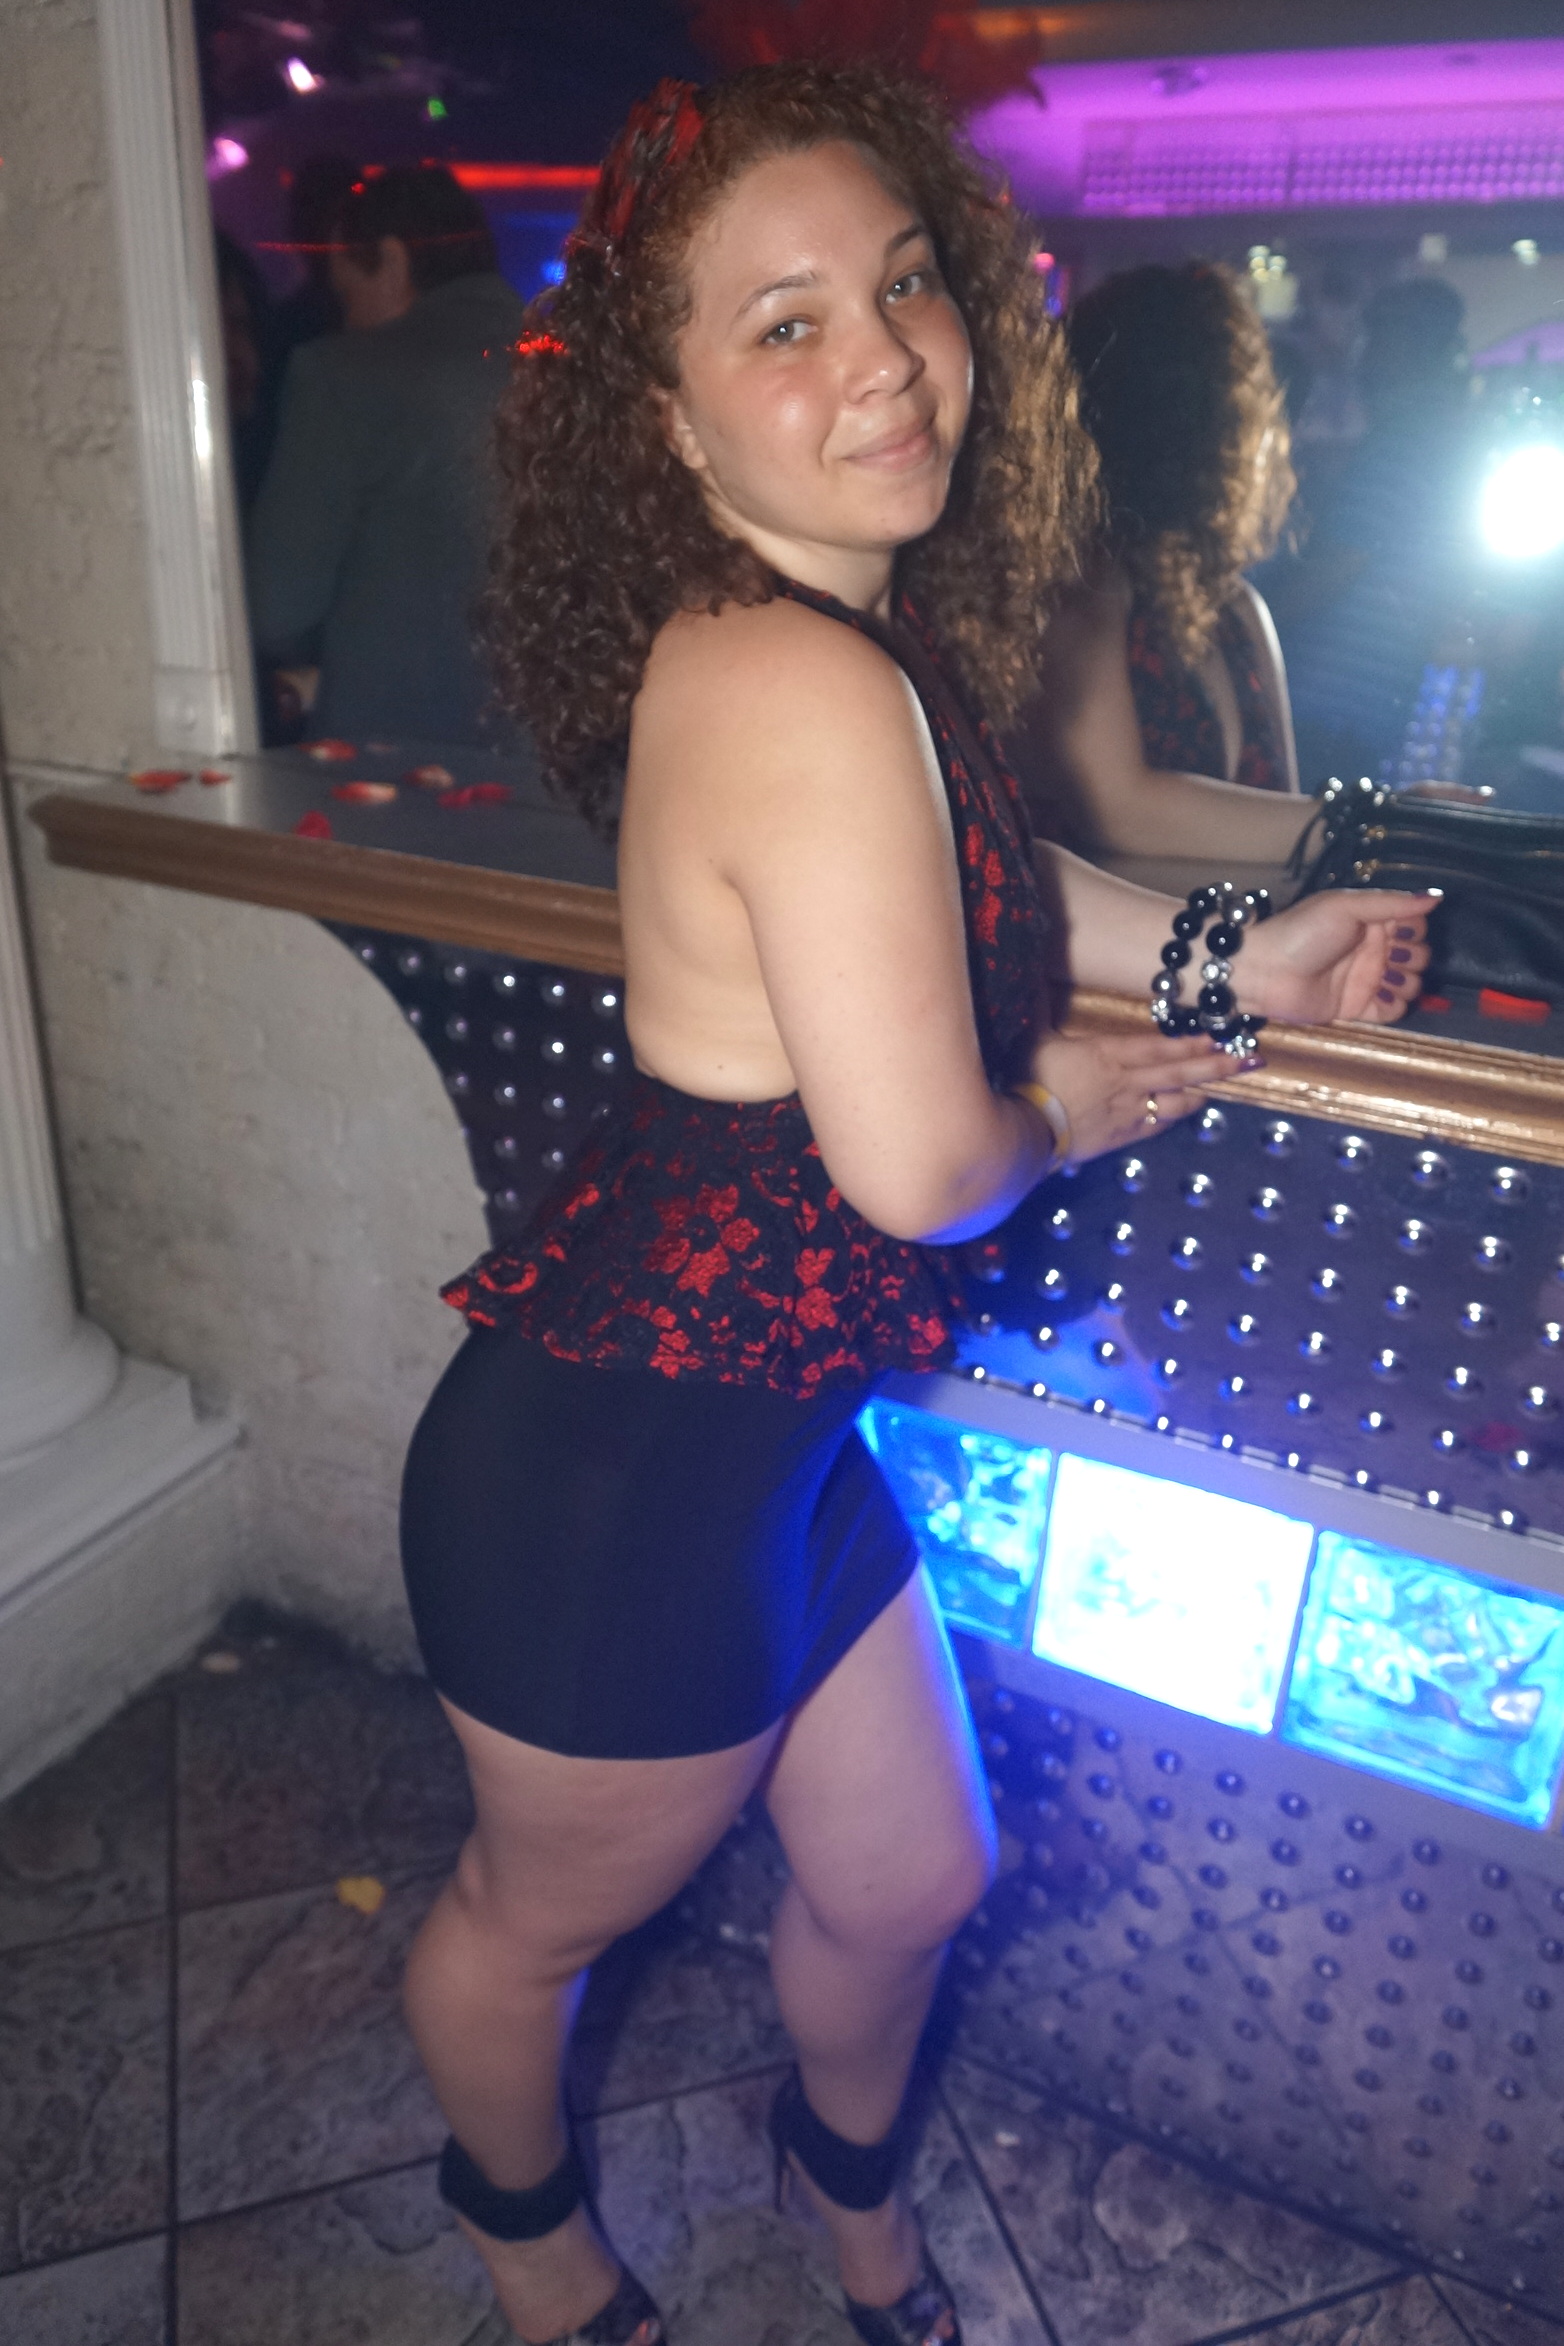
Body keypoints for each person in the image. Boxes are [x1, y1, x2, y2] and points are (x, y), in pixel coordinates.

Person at [396, 67, 1432, 2346]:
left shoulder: (817, 639)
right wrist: (1060, 1100)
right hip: (611, 1491)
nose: (878, 357)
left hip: (749, 1436)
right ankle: (522, 2234)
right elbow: (918, 1167)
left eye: (898, 287)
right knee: (526, 1926)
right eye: (783, 324)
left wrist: (1231, 959)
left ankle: (836, 2177)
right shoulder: (788, 670)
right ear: (663, 418)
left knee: (908, 1872)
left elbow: (977, 876)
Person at [1007, 261, 1326, 866]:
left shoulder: (1239, 610)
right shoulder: (1081, 585)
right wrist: (1381, 822)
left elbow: (1280, 823)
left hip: (1255, 930)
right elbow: (1119, 808)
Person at [246, 164, 524, 747]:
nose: (346, 318)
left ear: (393, 261)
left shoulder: (342, 377)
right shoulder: (583, 369)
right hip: (574, 764)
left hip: (401, 760)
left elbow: (278, 609)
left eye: (346, 293)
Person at [1272, 277, 1480, 789]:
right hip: (1361, 715)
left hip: (1318, 709)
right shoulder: (1438, 452)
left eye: (1378, 341)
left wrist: (1249, 622)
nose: (1364, 360)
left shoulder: (1400, 450)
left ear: (1408, 350)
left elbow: (1337, 568)